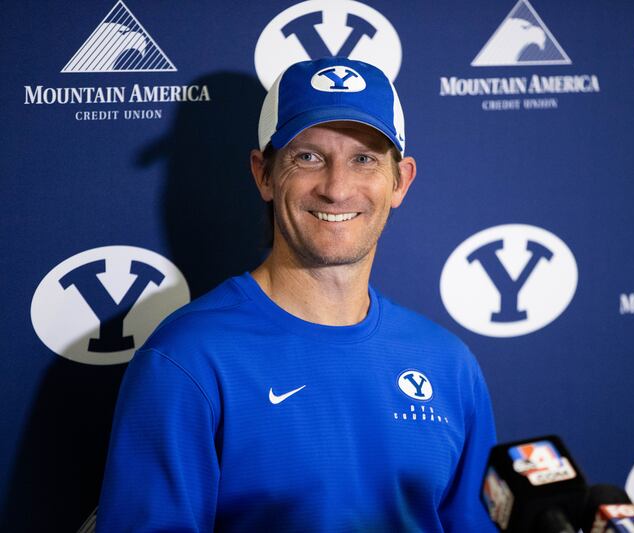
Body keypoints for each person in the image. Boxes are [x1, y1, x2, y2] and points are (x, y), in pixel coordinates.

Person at [97, 57, 496, 532]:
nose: (336, 189)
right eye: (308, 157)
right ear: (264, 174)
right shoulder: (188, 358)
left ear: (400, 181)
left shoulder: (448, 363)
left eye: (364, 159)